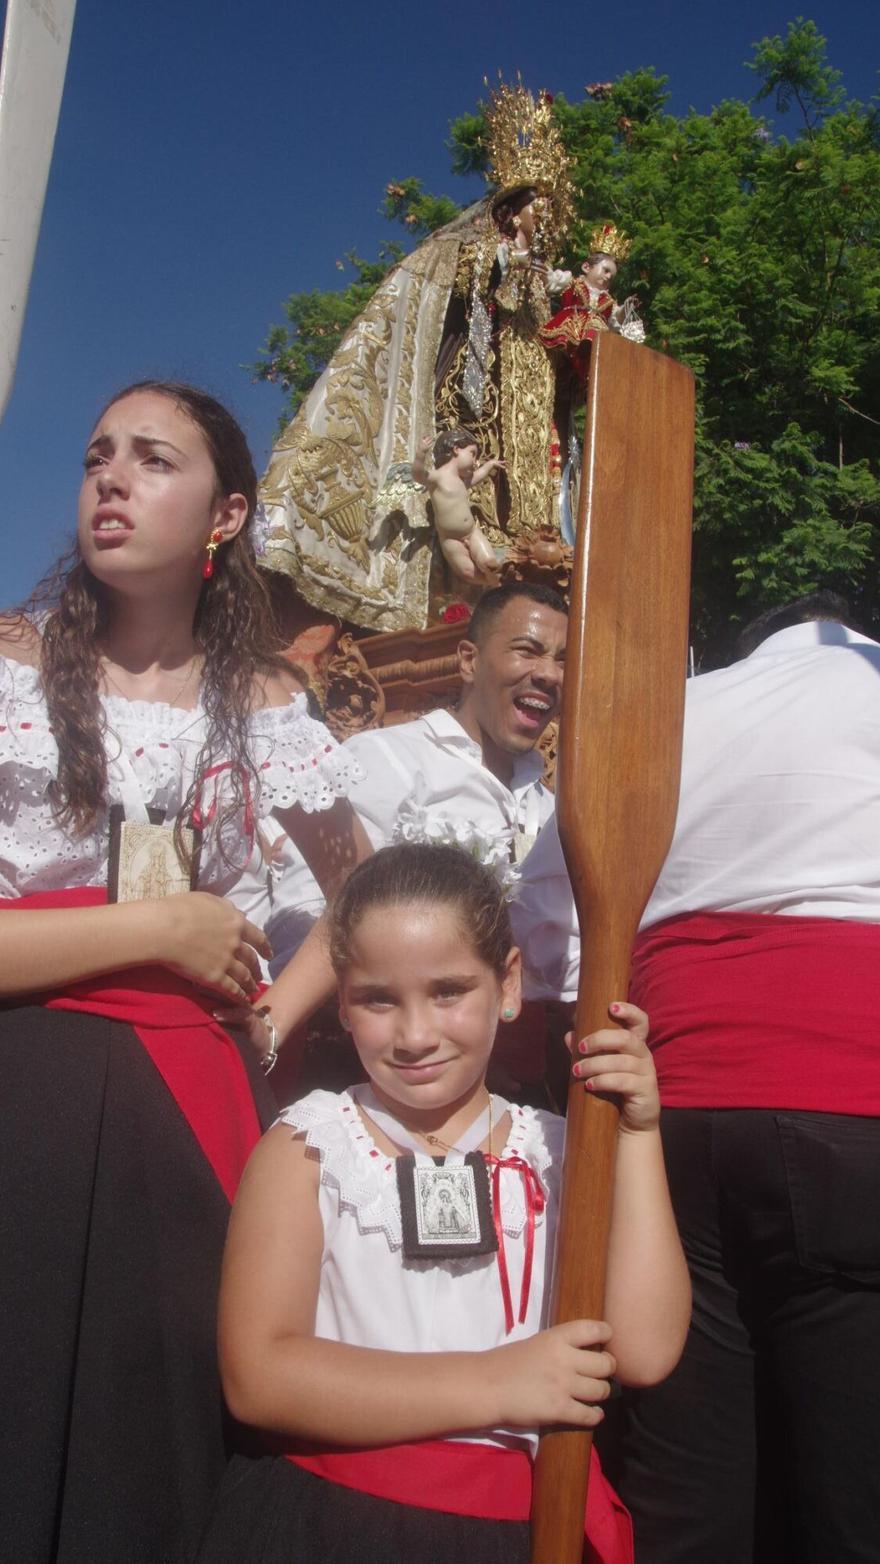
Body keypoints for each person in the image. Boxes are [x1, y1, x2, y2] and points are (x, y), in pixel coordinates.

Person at [0, 380, 369, 1564]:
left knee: (147, 1429)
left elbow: (360, 891)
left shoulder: (268, 706)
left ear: (225, 515)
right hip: (25, 1073)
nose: (111, 478)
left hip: (193, 1102)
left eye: (154, 460)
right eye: (99, 454)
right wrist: (158, 932)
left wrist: (277, 1013)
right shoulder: (13, 676)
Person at [195, 843, 690, 1564]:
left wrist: (636, 1133)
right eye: (378, 999)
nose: (416, 1034)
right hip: (336, 1526)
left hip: (521, 1531)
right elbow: (258, 1376)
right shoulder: (310, 1146)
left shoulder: (561, 1150)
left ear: (510, 983)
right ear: (341, 1000)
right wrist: (497, 1383)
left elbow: (643, 1352)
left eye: (450, 991)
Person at [514, 592, 880, 1562]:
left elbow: (549, 934)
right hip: (853, 1101)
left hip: (673, 1113)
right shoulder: (866, 682)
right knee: (853, 1491)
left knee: (687, 1483)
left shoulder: (675, 714)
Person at [413, 428, 503, 586]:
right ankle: (492, 585)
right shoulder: (438, 477)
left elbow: (479, 475)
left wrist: (490, 465)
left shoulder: (463, 480)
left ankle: (496, 581)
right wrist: (421, 454)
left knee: (488, 562)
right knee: (467, 572)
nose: (475, 462)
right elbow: (418, 475)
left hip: (471, 532)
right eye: (472, 453)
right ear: (456, 450)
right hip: (450, 539)